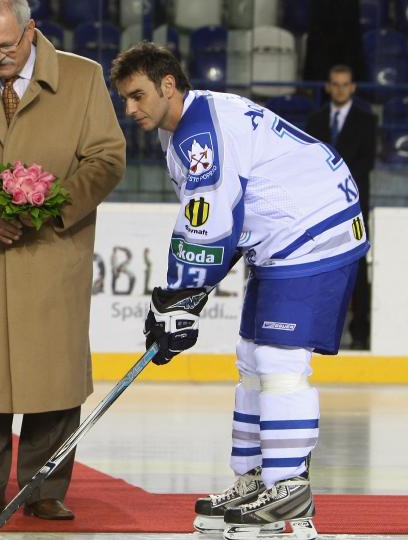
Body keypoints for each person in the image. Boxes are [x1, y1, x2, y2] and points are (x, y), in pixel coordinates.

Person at [110, 42, 369, 540]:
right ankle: (256, 481)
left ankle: (288, 491)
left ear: (168, 85)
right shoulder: (186, 126)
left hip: (314, 232)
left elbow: (205, 230)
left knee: (279, 361)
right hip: (282, 238)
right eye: (124, 99)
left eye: (137, 96)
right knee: (251, 355)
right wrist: (180, 301)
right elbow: (218, 221)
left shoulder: (198, 134)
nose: (130, 109)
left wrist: (175, 298)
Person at [0, 0, 125, 521]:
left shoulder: (84, 78)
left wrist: (54, 205)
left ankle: (45, 490)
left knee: (54, 379)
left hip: (55, 251)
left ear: (30, 31)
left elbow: (107, 157)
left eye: (7, 46)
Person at [305, 64, 377, 350]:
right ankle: (319, 328)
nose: (340, 89)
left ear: (353, 87)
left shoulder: (366, 121)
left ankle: (360, 331)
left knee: (357, 267)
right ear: (327, 86)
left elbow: (365, 164)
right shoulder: (316, 120)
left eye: (345, 84)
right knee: (319, 265)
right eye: (335, 84)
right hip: (320, 208)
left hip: (353, 207)